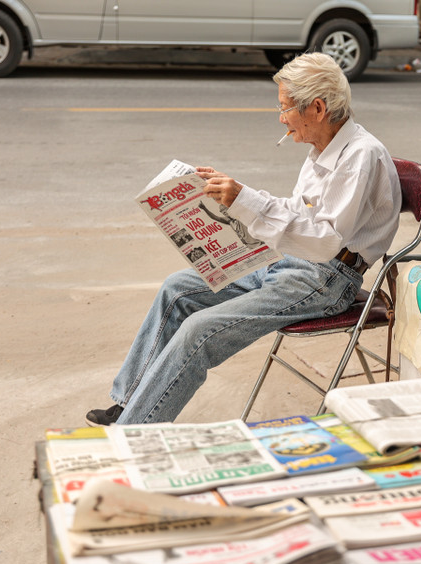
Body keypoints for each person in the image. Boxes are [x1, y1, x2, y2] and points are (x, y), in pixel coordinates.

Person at [86, 52, 402, 426]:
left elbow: (325, 242)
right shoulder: (322, 149)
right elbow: (297, 211)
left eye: (285, 109)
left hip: (326, 278)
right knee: (177, 289)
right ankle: (130, 402)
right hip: (290, 261)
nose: (281, 118)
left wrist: (245, 201)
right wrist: (235, 198)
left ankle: (134, 429)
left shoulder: (360, 156)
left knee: (200, 332)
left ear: (317, 108)